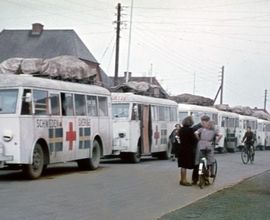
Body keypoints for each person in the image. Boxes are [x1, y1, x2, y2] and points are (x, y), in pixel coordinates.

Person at [176, 116, 198, 186]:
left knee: (183, 165)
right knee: (186, 165)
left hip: (181, 148)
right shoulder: (190, 130)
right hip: (188, 150)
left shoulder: (181, 130)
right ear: (191, 123)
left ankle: (182, 179)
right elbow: (194, 140)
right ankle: (184, 181)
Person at [191, 115, 210, 185]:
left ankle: (195, 179)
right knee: (205, 163)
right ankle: (205, 179)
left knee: (197, 163)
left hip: (197, 147)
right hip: (199, 147)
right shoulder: (198, 128)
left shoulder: (195, 127)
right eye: (207, 122)